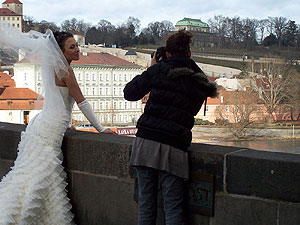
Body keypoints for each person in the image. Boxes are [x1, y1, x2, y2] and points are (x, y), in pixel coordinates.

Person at [0, 23, 114, 225]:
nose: (77, 49)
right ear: (60, 51)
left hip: (42, 123)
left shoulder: (52, 67)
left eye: (76, 46)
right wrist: (101, 128)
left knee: (27, 172)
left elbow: (59, 100)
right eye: (72, 47)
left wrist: (68, 122)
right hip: (52, 127)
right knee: (40, 175)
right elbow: (82, 102)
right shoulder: (66, 71)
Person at [124, 30, 218, 225]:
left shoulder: (159, 70)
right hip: (175, 144)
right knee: (173, 208)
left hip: (147, 141)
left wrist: (152, 68)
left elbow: (130, 93)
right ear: (189, 53)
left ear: (167, 53)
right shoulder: (199, 79)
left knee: (146, 203)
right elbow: (192, 109)